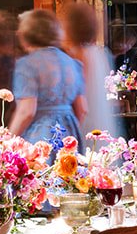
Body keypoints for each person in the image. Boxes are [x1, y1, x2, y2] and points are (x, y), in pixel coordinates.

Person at [8, 8, 86, 146]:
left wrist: (7, 141)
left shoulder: (27, 64)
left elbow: (26, 112)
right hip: (69, 132)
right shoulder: (73, 63)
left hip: (40, 135)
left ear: (26, 34)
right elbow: (82, 109)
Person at [62, 0, 117, 138]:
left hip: (84, 115)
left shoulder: (76, 55)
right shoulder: (100, 53)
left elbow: (75, 90)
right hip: (100, 114)